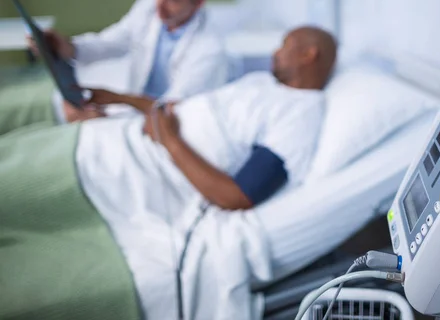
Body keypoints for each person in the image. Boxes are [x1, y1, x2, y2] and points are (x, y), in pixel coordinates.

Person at [0, 26, 337, 319]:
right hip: (119, 139)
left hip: (131, 167)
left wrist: (171, 141)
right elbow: (176, 110)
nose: (276, 51)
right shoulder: (261, 83)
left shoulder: (301, 112)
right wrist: (121, 99)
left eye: (286, 44)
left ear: (310, 54)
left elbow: (238, 196)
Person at [0, 0, 226, 135]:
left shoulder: (209, 50)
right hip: (128, 105)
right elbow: (111, 42)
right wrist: (68, 47)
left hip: (156, 124)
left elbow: (170, 110)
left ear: (198, 3)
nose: (159, 6)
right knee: (47, 108)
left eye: (173, 1)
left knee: (65, 121)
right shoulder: (147, 7)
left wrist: (108, 118)